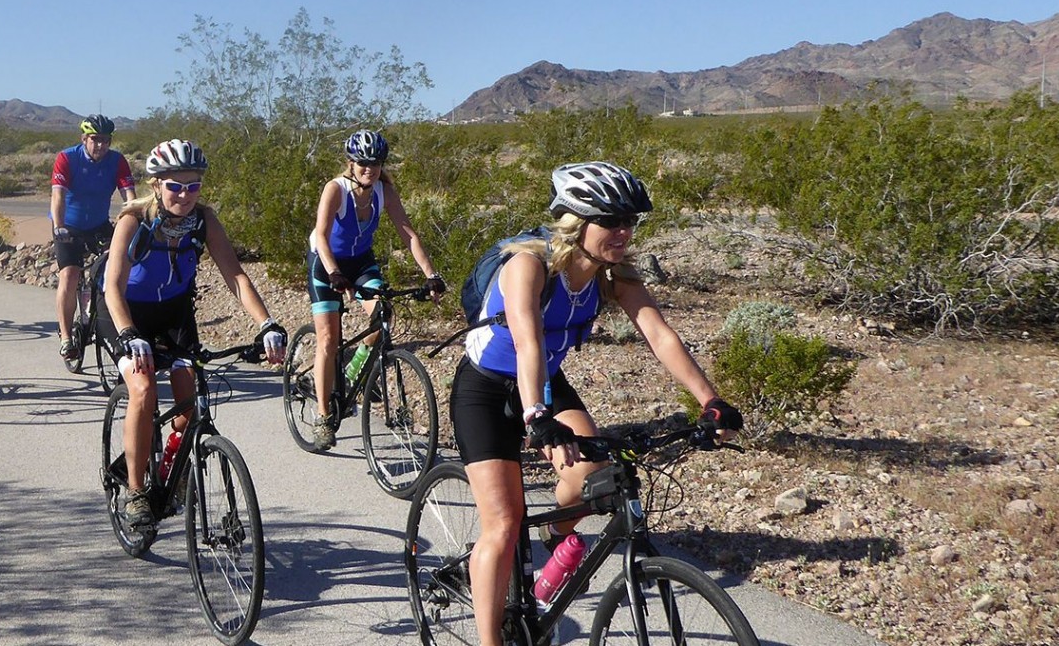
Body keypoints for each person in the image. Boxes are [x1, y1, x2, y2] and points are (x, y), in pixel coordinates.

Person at [450, 161, 743, 645]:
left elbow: (659, 334)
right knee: (502, 524)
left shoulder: (613, 274)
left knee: (591, 479)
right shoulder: (528, 265)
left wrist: (710, 399)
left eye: (630, 222)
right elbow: (527, 343)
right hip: (485, 388)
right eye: (613, 221)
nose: (625, 232)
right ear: (577, 222)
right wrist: (537, 418)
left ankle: (549, 539)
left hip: (543, 380)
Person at [104, 138, 287, 527]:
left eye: (193, 186)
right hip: (128, 313)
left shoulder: (204, 220)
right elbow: (112, 287)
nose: (185, 195)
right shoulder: (133, 221)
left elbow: (235, 276)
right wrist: (128, 333)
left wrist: (266, 323)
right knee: (143, 388)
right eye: (175, 186)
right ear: (156, 184)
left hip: (175, 313)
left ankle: (175, 472)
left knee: (190, 409)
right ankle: (136, 493)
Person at [304, 129, 445, 450]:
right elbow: (322, 237)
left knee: (384, 313)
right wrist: (335, 274)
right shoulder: (335, 189)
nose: (370, 169)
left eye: (376, 163)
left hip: (361, 261)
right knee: (329, 339)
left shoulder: (384, 191)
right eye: (363, 163)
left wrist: (431, 274)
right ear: (351, 163)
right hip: (326, 262)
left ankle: (354, 372)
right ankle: (324, 417)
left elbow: (408, 234)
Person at [51, 114, 136, 363]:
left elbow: (129, 197)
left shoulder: (117, 161)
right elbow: (58, 196)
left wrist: (134, 224)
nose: (100, 145)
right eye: (95, 140)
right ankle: (66, 338)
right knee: (70, 274)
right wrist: (59, 226)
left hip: (99, 225)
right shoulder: (67, 158)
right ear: (84, 139)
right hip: (69, 226)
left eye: (105, 140)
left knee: (118, 270)